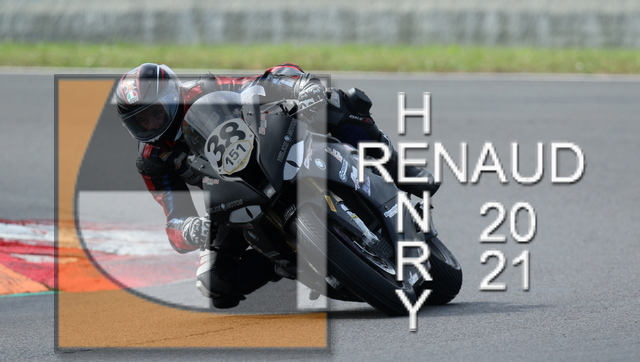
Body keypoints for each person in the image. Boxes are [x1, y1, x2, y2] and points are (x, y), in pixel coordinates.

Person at [115, 62, 439, 309]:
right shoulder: (153, 160)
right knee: (216, 284)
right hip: (232, 196)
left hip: (268, 145)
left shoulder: (205, 88)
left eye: (155, 113)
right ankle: (282, 262)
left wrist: (301, 86)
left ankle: (397, 169)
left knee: (338, 103)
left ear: (172, 96)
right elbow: (174, 217)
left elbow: (265, 79)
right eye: (141, 121)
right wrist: (189, 230)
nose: (151, 124)